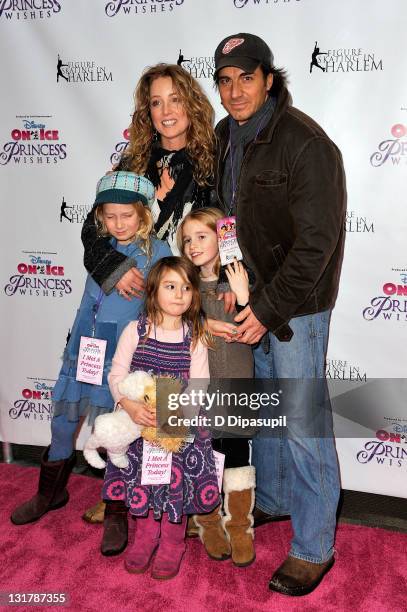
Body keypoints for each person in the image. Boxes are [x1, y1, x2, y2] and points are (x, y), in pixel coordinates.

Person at [213, 33, 346, 596]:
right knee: (265, 413)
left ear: (270, 78)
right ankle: (271, 500)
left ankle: (315, 546)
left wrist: (266, 310)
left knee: (302, 425)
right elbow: (227, 221)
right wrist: (229, 287)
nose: (235, 90)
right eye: (225, 79)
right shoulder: (224, 137)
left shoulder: (305, 142)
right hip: (249, 300)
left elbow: (316, 244)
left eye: (247, 77)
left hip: (295, 308)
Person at [80, 64, 237, 529]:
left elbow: (223, 228)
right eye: (156, 102)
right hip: (134, 300)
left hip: (190, 295)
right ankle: (119, 497)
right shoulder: (132, 164)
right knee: (129, 396)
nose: (166, 111)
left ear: (190, 103)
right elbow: (93, 229)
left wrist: (230, 287)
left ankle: (184, 498)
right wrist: (113, 267)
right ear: (146, 111)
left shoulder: (214, 161)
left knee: (182, 402)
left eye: (175, 99)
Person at [10, 172, 171, 531]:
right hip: (83, 348)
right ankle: (50, 493)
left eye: (127, 215)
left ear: (144, 214)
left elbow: (161, 305)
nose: (118, 223)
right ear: (100, 217)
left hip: (118, 358)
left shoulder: (158, 252)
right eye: (110, 216)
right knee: (62, 421)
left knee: (110, 429)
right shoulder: (99, 247)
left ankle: (115, 510)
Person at [102, 256, 220, 580]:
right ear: (153, 291)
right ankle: (145, 537)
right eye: (170, 286)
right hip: (138, 426)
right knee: (143, 482)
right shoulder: (135, 330)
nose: (179, 294)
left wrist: (176, 416)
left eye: (186, 287)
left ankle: (172, 542)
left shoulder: (193, 337)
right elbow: (116, 375)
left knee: (173, 486)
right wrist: (128, 405)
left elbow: (199, 385)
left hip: (176, 428)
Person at [178, 207, 256, 567]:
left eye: (201, 236)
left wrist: (242, 296)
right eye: (187, 239)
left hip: (237, 383)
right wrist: (204, 324)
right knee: (202, 453)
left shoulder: (240, 276)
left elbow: (255, 334)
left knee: (238, 454)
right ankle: (207, 523)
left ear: (222, 238)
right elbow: (163, 321)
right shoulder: (182, 283)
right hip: (198, 388)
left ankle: (240, 526)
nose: (193, 245)